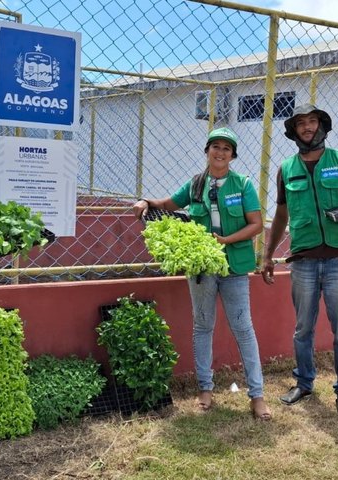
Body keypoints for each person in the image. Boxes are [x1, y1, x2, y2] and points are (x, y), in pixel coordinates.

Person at [132, 127, 271, 420]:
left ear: (232, 155)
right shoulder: (195, 185)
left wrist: (225, 241)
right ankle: (205, 389)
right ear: (207, 151)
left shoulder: (243, 185)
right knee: (203, 326)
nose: (220, 153)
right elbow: (168, 205)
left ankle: (257, 395)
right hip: (201, 269)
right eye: (215, 147)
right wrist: (145, 201)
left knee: (243, 329)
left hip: (233, 267)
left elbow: (256, 224)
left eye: (226, 149)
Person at [261, 103, 338, 417]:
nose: (307, 128)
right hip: (304, 260)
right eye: (301, 124)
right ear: (293, 131)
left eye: (312, 122)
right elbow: (281, 215)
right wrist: (268, 255)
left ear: (322, 125)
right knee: (303, 328)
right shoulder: (286, 169)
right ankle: (304, 383)